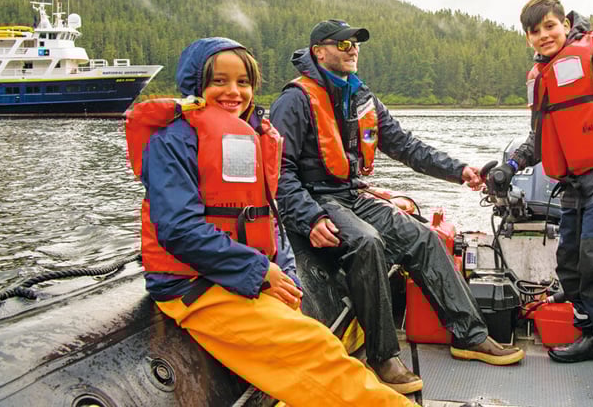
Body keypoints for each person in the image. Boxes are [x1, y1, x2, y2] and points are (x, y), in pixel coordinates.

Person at [125, 37, 421, 407]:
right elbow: (179, 230)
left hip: (240, 273)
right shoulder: (173, 141)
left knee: (317, 340)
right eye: (219, 81)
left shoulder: (247, 137)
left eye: (243, 82)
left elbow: (269, 219)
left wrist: (283, 272)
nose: (233, 92)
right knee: (312, 350)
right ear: (195, 84)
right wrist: (261, 271)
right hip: (194, 284)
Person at [269, 19, 525, 394]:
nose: (353, 50)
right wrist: (310, 217)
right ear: (319, 52)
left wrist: (460, 171)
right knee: (367, 242)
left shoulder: (361, 98)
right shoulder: (293, 101)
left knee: (423, 237)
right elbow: (280, 173)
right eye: (343, 44)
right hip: (315, 199)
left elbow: (406, 146)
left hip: (350, 195)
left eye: (356, 44)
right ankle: (383, 356)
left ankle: (470, 337)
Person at [485, 0, 593, 396]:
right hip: (574, 186)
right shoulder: (542, 76)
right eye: (534, 31)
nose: (543, 35)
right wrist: (510, 165)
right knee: (571, 265)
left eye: (549, 26)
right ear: (527, 38)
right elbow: (540, 138)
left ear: (565, 24)